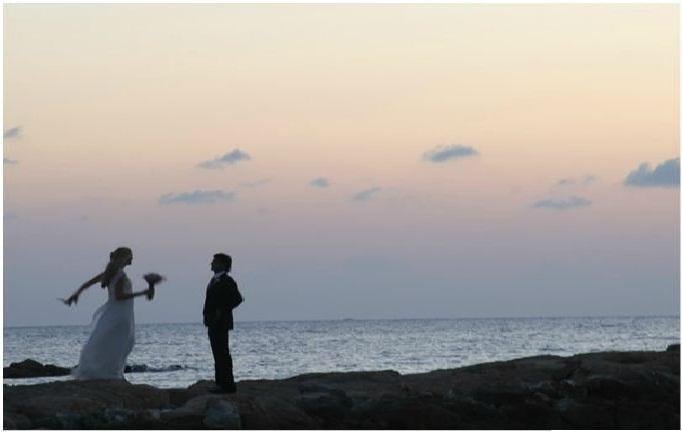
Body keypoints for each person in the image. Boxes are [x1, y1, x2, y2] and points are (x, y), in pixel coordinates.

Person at [62, 247, 158, 380]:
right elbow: (119, 296)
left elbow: (87, 284)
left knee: (110, 342)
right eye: (130, 256)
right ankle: (113, 373)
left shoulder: (109, 273)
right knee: (121, 343)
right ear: (124, 258)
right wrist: (142, 293)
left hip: (113, 312)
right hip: (121, 314)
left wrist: (75, 295)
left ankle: (111, 372)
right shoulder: (120, 275)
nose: (132, 259)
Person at [203, 253, 243, 393]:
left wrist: (222, 310)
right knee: (217, 353)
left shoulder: (227, 281)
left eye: (214, 261)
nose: (211, 264)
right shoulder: (213, 281)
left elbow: (237, 299)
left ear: (222, 264)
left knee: (223, 353)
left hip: (221, 323)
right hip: (212, 323)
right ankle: (220, 382)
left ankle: (227, 384)